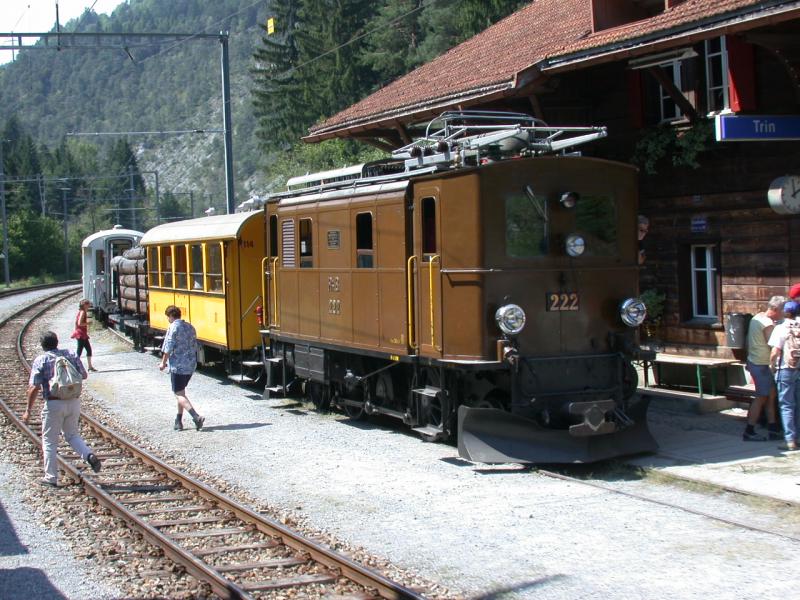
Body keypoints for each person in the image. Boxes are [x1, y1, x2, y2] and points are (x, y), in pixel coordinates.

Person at [22, 331, 101, 487]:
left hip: (53, 403)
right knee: (72, 435)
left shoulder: (42, 359)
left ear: (42, 345)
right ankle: (89, 455)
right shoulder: (70, 354)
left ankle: (50, 477)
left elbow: (34, 387)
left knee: (49, 442)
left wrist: (28, 410)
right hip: (73, 401)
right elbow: (84, 375)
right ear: (57, 342)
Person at [742, 296, 783, 441]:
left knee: (770, 396)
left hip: (754, 361)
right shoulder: (767, 324)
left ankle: (772, 429)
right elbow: (774, 345)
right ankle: (749, 431)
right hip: (762, 365)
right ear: (776, 310)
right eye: (782, 310)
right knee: (761, 397)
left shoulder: (757, 317)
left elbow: (748, 340)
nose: (784, 313)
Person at [159, 305, 204, 431]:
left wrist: (163, 362)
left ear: (170, 316)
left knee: (178, 394)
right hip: (190, 365)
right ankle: (178, 421)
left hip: (178, 366)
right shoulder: (190, 327)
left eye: (168, 317)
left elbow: (168, 347)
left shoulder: (173, 327)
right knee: (181, 392)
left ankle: (196, 417)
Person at [768, 301, 800, 451]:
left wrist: (771, 365)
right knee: (798, 404)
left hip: (786, 369)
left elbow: (775, 351)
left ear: (785, 312)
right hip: (799, 369)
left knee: (787, 405)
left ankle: (790, 440)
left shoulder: (781, 328)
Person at [71, 298, 97, 372]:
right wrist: (88, 323)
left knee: (88, 349)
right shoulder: (83, 312)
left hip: (82, 333)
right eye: (88, 304)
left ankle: (90, 366)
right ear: (84, 305)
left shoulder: (81, 311)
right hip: (81, 334)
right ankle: (75, 367)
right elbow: (79, 323)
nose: (89, 306)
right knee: (79, 351)